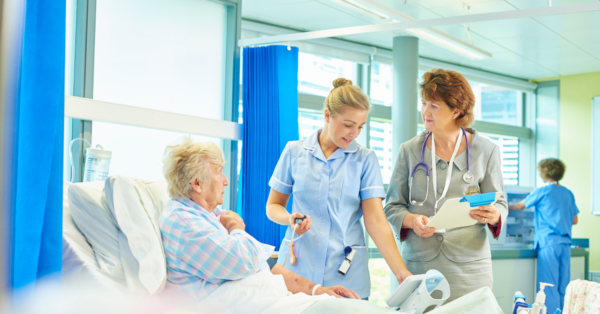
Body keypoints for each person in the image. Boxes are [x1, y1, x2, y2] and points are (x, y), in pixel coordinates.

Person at [158, 138, 397, 313]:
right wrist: (237, 228)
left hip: (281, 298)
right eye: (219, 172)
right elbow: (244, 260)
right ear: (197, 183)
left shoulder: (210, 215)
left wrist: (316, 290)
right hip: (262, 304)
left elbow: (264, 264)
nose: (226, 181)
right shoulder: (183, 222)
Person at [266, 78, 412, 300]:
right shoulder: (294, 152)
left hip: (345, 274)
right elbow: (273, 206)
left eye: (360, 127)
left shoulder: (365, 160)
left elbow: (376, 220)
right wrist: (288, 219)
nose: (354, 133)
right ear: (327, 115)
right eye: (347, 125)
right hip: (298, 271)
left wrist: (401, 273)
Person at [384, 69, 508, 303]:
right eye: (423, 103)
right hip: (420, 265)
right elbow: (392, 206)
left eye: (434, 106)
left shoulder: (487, 150)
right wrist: (412, 220)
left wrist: (494, 214)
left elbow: (499, 203)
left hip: (470, 268)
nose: (425, 111)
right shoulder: (409, 150)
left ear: (456, 110)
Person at [509, 158, 579, 312]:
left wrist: (506, 207)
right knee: (564, 286)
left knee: (547, 286)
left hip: (548, 243)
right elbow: (575, 220)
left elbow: (521, 205)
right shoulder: (568, 193)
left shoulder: (543, 191)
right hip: (565, 245)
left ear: (544, 172)